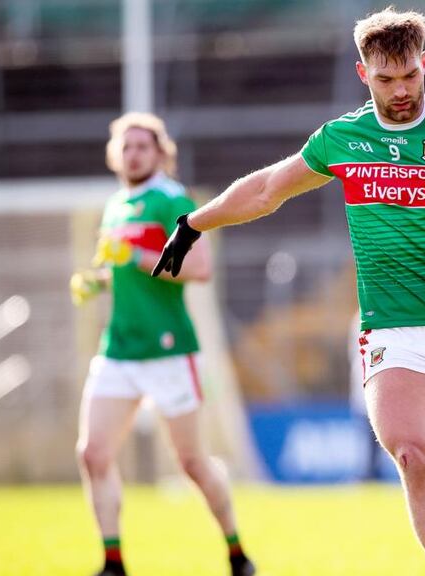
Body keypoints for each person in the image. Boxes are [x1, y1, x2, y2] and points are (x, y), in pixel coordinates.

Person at [152, 8, 425, 576]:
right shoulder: (343, 139)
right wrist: (195, 222)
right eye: (385, 79)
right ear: (361, 73)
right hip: (395, 331)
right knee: (415, 458)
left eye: (410, 77)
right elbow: (269, 189)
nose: (400, 91)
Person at [72, 112, 256, 576]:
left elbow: (199, 269)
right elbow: (132, 277)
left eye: (142, 146)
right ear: (115, 153)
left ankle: (236, 551)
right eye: (126, 145)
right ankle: (113, 562)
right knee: (92, 454)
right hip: (119, 350)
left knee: (192, 463)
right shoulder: (116, 204)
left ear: (160, 153)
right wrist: (100, 282)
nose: (133, 153)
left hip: (170, 350)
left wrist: (134, 256)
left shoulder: (170, 199)